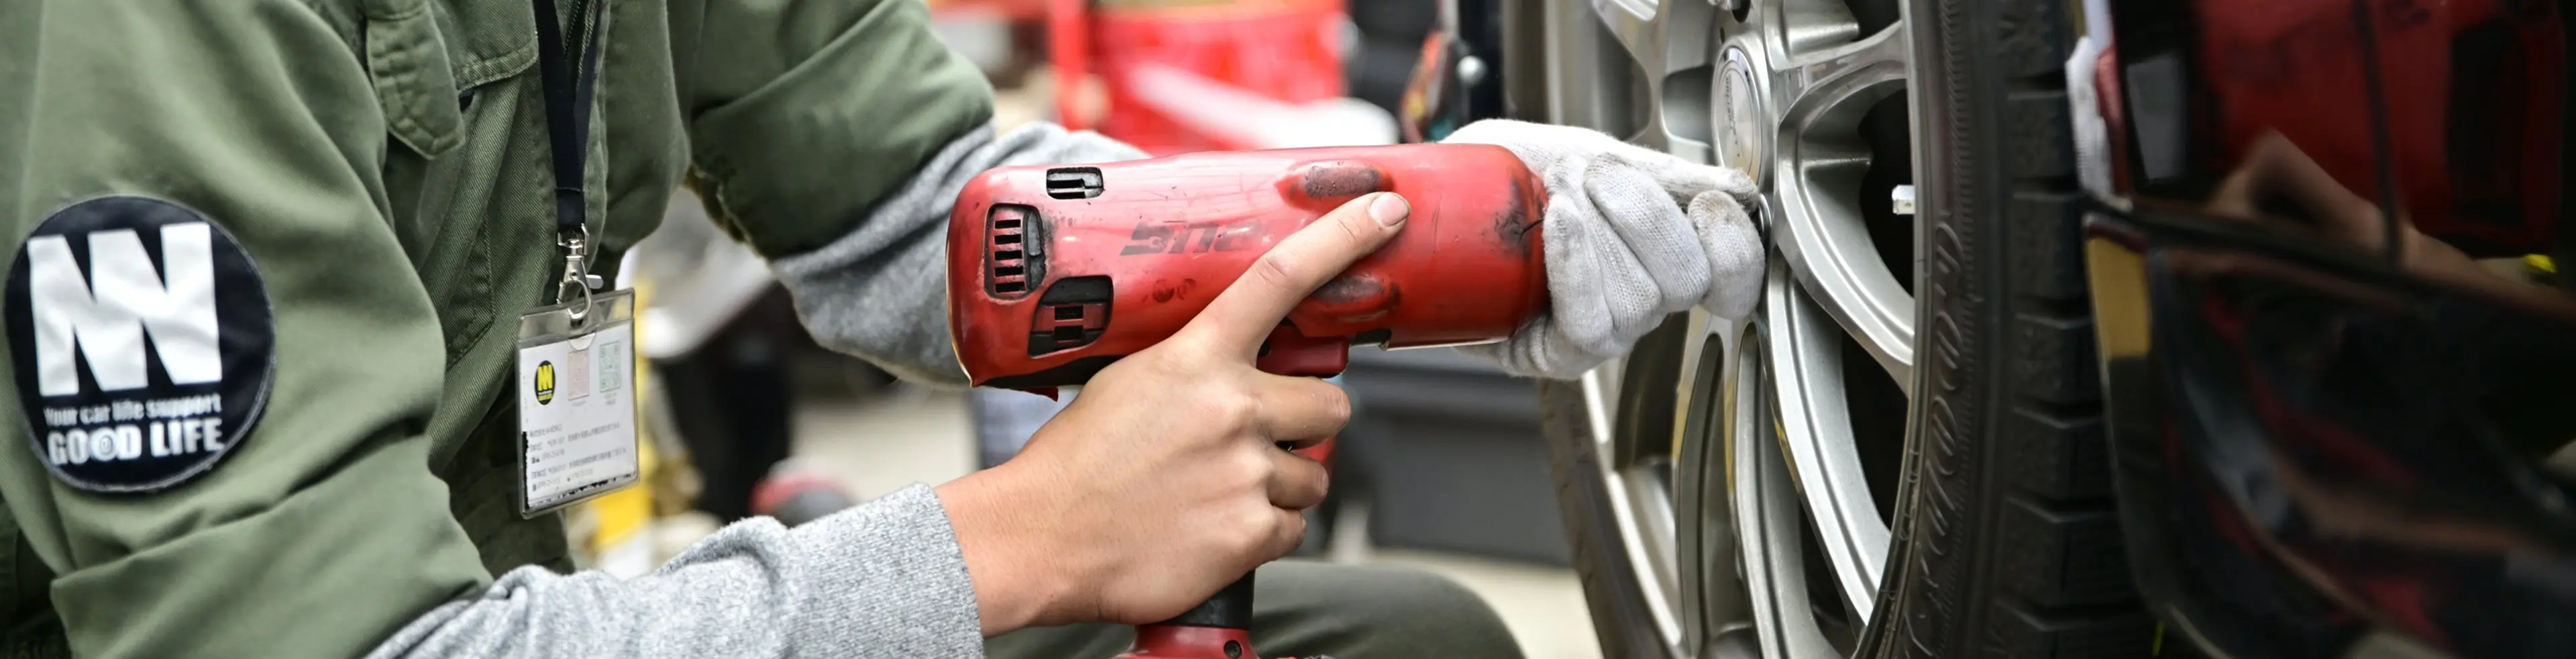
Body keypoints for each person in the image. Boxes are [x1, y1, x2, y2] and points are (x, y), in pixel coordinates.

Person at [0, 1, 1763, 657]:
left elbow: (937, 207)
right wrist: (1030, 538)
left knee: (1400, 640)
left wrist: (1448, 226)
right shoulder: (142, 31)